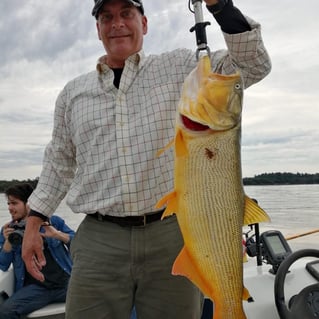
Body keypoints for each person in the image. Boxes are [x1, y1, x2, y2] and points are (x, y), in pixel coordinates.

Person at [22, 0, 271, 318]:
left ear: (145, 23)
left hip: (171, 235)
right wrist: (34, 222)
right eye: (107, 17)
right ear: (98, 29)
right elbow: (59, 162)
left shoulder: (183, 67)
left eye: (127, 13)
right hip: (99, 238)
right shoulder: (72, 94)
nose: (117, 23)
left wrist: (220, 7)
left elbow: (253, 66)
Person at [0, 183, 75, 319]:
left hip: (66, 283)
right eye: (8, 204)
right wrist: (8, 242)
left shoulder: (53, 222)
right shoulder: (8, 231)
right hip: (37, 289)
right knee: (5, 311)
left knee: (103, 293)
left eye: (14, 203)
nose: (10, 208)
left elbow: (78, 243)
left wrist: (57, 234)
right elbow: (3, 265)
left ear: (29, 204)